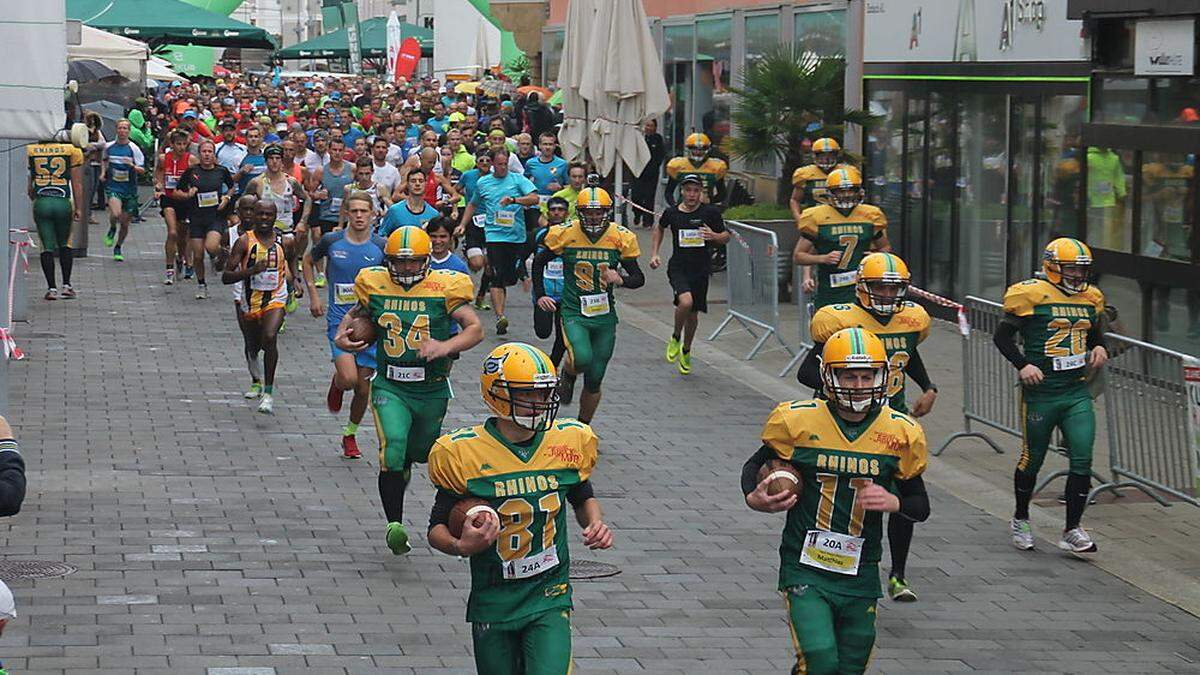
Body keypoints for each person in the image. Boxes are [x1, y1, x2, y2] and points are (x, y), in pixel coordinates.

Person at [743, 327, 930, 674]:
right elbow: (756, 463)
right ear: (828, 375)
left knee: (849, 666)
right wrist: (753, 497)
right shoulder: (798, 419)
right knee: (819, 656)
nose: (858, 385)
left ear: (882, 377)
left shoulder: (901, 432)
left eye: (866, 376)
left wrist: (896, 503)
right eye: (849, 375)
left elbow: (921, 505)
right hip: (806, 564)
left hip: (860, 571)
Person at [427, 342, 613, 675]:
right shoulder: (463, 453)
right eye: (530, 394)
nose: (541, 403)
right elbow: (436, 526)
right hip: (493, 596)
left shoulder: (567, 441)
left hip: (549, 591)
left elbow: (581, 493)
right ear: (497, 393)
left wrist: (595, 522)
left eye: (545, 393)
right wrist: (460, 545)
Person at [795, 252, 936, 602]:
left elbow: (904, 353)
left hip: (892, 421)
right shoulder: (840, 320)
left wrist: (929, 386)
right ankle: (824, 563)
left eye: (894, 289)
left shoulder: (910, 320)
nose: (888, 296)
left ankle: (899, 574)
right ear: (862, 287)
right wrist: (850, 392)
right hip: (843, 418)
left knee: (900, 495)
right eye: (880, 288)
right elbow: (807, 371)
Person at [334, 226, 483, 555]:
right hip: (390, 384)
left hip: (431, 388)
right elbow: (357, 315)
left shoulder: (445, 286)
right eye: (398, 263)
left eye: (412, 263)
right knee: (394, 447)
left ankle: (407, 491)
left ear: (427, 260)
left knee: (419, 453)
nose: (404, 269)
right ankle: (394, 524)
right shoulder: (374, 282)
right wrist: (342, 338)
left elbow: (475, 328)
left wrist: (445, 345)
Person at [994, 238, 1108, 555]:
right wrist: (1023, 364)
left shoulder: (1091, 297)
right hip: (1041, 392)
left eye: (1082, 269)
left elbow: (1095, 332)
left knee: (1083, 458)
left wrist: (1100, 346)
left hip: (1075, 391)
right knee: (1033, 460)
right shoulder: (1031, 293)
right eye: (1071, 268)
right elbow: (1001, 336)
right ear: (1053, 267)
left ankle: (1072, 528)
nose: (1078, 275)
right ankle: (1020, 517)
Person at [532, 186, 644, 421]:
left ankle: (583, 427)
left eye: (599, 212)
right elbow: (539, 262)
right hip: (574, 311)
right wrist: (541, 293)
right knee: (581, 358)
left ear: (607, 212)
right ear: (579, 212)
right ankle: (568, 373)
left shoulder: (620, 237)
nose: (594, 217)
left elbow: (638, 278)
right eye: (588, 212)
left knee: (595, 378)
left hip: (604, 315)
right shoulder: (565, 233)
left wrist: (620, 279)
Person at [305, 192, 387, 460]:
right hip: (338, 321)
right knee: (350, 379)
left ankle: (349, 434)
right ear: (346, 213)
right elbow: (308, 260)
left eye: (365, 211)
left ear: (373, 213)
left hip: (369, 325)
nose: (360, 216)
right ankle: (338, 383)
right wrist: (314, 293)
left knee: (364, 389)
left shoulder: (381, 246)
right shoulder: (332, 240)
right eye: (355, 211)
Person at [649, 174, 729, 374]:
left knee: (693, 315)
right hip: (678, 267)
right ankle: (676, 336)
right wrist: (655, 254)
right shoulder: (672, 213)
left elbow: (725, 236)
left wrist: (715, 236)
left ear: (701, 193)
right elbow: (659, 228)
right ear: (682, 192)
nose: (692, 195)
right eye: (688, 190)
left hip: (701, 269)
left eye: (696, 191)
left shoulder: (710, 212)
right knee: (685, 302)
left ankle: (686, 349)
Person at [460, 147, 539, 335]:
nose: (503, 168)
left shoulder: (517, 179)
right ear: (492, 164)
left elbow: (534, 198)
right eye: (499, 164)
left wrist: (514, 200)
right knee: (496, 277)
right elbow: (473, 204)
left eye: (505, 164)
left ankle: (499, 296)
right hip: (494, 235)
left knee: (509, 278)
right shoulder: (483, 182)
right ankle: (500, 316)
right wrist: (463, 224)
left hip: (515, 236)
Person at [222, 200, 290, 415]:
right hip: (250, 300)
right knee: (253, 346)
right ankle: (255, 379)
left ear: (274, 216)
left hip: (276, 297)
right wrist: (250, 271)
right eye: (259, 214)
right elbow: (226, 276)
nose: (263, 218)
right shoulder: (244, 242)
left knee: (270, 337)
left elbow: (292, 261)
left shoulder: (284, 242)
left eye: (268, 215)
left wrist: (295, 281)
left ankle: (268, 393)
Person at [793, 167, 890, 309]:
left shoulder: (870, 215)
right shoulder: (816, 217)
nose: (847, 194)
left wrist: (876, 256)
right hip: (830, 290)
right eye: (841, 190)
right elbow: (798, 256)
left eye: (851, 190)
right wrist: (822, 258)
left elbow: (885, 247)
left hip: (864, 288)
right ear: (830, 192)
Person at [246, 145, 311, 312]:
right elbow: (244, 201)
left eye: (277, 158)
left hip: (287, 231)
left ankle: (289, 288)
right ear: (266, 160)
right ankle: (272, 303)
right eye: (271, 159)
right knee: (272, 270)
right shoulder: (257, 182)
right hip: (265, 232)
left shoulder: (291, 182)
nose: (274, 162)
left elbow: (307, 199)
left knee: (286, 267)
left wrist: (302, 221)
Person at [176, 139, 236, 299]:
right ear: (199, 154)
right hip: (196, 217)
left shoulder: (221, 171)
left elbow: (232, 187)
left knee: (211, 246)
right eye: (204, 151)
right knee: (197, 255)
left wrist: (226, 198)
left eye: (210, 152)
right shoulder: (192, 171)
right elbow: (177, 191)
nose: (207, 155)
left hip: (215, 215)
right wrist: (188, 194)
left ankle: (222, 254)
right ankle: (202, 284)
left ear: (214, 154)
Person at [27, 135, 84, 300]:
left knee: (46, 246)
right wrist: (79, 208)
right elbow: (77, 183)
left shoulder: (31, 151)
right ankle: (67, 285)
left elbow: (30, 183)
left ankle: (51, 288)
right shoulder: (71, 150)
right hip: (62, 201)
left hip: (42, 201)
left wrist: (35, 196)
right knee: (65, 243)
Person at [101, 119, 147, 262]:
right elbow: (104, 159)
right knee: (115, 213)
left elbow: (142, 170)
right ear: (116, 130)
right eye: (120, 128)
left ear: (129, 131)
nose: (122, 131)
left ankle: (118, 246)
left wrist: (132, 166)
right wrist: (103, 173)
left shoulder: (134, 148)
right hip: (114, 186)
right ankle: (112, 228)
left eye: (125, 128)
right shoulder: (108, 146)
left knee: (125, 223)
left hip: (129, 190)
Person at [532, 196, 569, 369]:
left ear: (567, 213)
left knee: (563, 337)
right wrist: (524, 276)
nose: (557, 212)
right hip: (544, 294)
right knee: (543, 332)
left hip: (566, 295)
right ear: (548, 213)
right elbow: (523, 257)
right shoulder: (539, 234)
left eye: (560, 209)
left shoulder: (572, 237)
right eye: (553, 209)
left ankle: (552, 366)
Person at [456, 148, 495, 310]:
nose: (484, 163)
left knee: (491, 265)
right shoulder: (468, 176)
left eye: (487, 161)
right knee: (478, 263)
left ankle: (480, 296)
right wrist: (454, 208)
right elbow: (456, 190)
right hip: (473, 223)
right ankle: (469, 251)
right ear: (476, 162)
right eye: (481, 160)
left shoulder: (496, 179)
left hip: (493, 224)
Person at [664, 133, 727, 207]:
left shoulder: (716, 166)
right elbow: (669, 192)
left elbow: (722, 193)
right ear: (689, 149)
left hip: (705, 208)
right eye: (694, 149)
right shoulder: (678, 165)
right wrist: (674, 206)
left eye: (702, 149)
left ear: (707, 149)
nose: (698, 152)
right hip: (684, 207)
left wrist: (710, 200)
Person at [789, 137, 844, 220]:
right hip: (815, 219)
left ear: (836, 155)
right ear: (814, 155)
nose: (826, 159)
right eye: (822, 155)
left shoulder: (845, 172)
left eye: (830, 155)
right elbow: (795, 200)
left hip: (841, 218)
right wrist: (799, 219)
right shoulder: (805, 173)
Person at [380, 170, 440, 236]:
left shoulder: (434, 214)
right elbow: (383, 235)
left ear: (426, 184)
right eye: (413, 181)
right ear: (407, 185)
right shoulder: (395, 211)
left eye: (421, 181)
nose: (417, 184)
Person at [631, 118, 665, 228]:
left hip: (652, 174)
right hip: (638, 172)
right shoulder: (639, 138)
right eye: (647, 125)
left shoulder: (657, 139)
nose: (648, 128)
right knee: (636, 196)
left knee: (650, 197)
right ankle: (637, 213)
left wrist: (654, 168)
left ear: (655, 127)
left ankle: (648, 221)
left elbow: (660, 155)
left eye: (651, 125)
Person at [236, 126, 268, 194]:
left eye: (256, 136)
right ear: (246, 139)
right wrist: (241, 172)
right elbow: (232, 180)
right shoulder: (239, 156)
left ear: (260, 139)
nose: (253, 139)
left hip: (265, 196)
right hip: (245, 197)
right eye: (250, 136)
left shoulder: (267, 156)